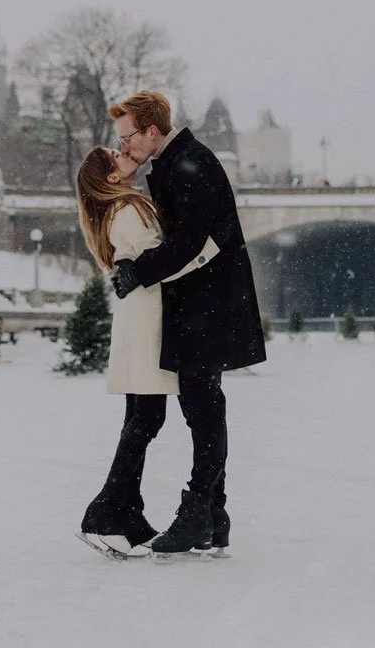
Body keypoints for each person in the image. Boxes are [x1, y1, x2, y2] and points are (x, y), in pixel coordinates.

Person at [108, 90, 267, 558]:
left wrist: (139, 270)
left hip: (209, 304)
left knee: (203, 407)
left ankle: (200, 510)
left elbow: (192, 241)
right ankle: (213, 515)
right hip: (201, 303)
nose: (124, 146)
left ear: (152, 130)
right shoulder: (176, 163)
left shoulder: (191, 164)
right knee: (202, 406)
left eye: (128, 136)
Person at [73, 146, 220, 560]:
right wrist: (206, 248)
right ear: (112, 176)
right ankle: (103, 512)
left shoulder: (116, 211)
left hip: (138, 317)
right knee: (146, 416)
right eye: (115, 157)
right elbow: (161, 263)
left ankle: (127, 514)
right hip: (149, 318)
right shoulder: (129, 210)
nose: (124, 154)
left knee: (140, 416)